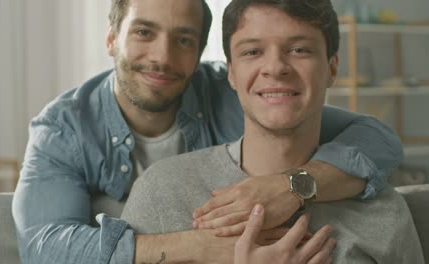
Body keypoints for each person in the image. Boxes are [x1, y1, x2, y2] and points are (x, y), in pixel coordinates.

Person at [12, 0, 404, 263]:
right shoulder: (64, 128)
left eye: (183, 39)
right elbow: (42, 247)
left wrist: (292, 185)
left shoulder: (241, 93)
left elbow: (377, 141)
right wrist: (206, 247)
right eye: (144, 33)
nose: (163, 57)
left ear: (201, 52)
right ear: (112, 38)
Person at [120, 0, 424, 263]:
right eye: (253, 51)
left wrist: (293, 187)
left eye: (299, 49)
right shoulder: (162, 193)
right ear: (231, 74)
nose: (276, 67)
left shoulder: (383, 211)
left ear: (332, 68)